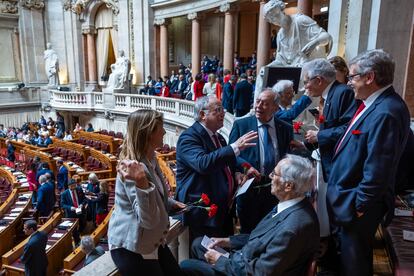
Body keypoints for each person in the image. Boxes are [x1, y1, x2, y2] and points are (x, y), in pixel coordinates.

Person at [327, 49, 411, 276]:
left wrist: (360, 206)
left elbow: (378, 169)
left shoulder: (386, 112)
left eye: (352, 77)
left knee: (355, 264)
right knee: (349, 259)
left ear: (370, 77)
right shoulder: (376, 104)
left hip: (358, 206)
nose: (349, 83)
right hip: (351, 201)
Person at [180, 154, 320, 276]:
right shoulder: (292, 204)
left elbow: (260, 272)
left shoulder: (293, 228)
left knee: (186, 266)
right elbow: (263, 238)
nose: (270, 177)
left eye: (275, 174)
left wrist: (220, 260)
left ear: (288, 186)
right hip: (245, 259)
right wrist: (227, 241)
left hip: (246, 269)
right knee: (199, 244)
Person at [108, 109, 185, 276]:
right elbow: (147, 220)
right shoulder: (131, 168)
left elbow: (156, 193)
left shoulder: (151, 158)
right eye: (161, 128)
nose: (165, 131)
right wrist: (141, 183)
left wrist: (170, 204)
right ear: (149, 133)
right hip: (132, 246)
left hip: (153, 241)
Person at [175, 96, 258, 241]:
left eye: (223, 109)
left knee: (223, 256)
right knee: (206, 258)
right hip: (204, 215)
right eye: (218, 110)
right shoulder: (189, 137)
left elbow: (227, 165)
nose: (223, 114)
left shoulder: (219, 138)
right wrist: (235, 147)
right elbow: (202, 164)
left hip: (224, 210)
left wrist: (237, 173)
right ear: (202, 115)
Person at [229, 89, 293, 233]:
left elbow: (288, 156)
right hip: (249, 189)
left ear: (275, 108)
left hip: (275, 190)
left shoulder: (285, 128)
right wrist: (246, 167)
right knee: (248, 233)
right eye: (257, 101)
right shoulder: (241, 125)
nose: (258, 106)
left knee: (271, 231)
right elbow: (231, 155)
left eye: (264, 104)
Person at [255, 0, 332, 98]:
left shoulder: (300, 21)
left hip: (307, 65)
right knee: (262, 74)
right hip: (291, 68)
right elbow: (280, 59)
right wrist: (267, 68)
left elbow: (326, 37)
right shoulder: (280, 35)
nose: (274, 19)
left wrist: (314, 43)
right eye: (271, 18)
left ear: (281, 10)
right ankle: (256, 107)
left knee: (296, 80)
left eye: (275, 15)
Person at [303, 58, 356, 182]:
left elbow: (350, 129)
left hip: (341, 167)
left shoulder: (343, 93)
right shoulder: (331, 94)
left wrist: (319, 135)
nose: (305, 87)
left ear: (318, 80)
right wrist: (304, 144)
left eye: (306, 82)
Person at [61, 179, 86, 245]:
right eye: (72, 186)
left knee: (82, 225)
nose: (74, 187)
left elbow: (84, 199)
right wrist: (70, 207)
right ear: (68, 186)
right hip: (71, 213)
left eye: (74, 186)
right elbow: (63, 204)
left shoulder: (79, 189)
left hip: (80, 211)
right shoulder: (64, 194)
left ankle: (82, 238)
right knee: (74, 229)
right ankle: (77, 242)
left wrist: (81, 204)